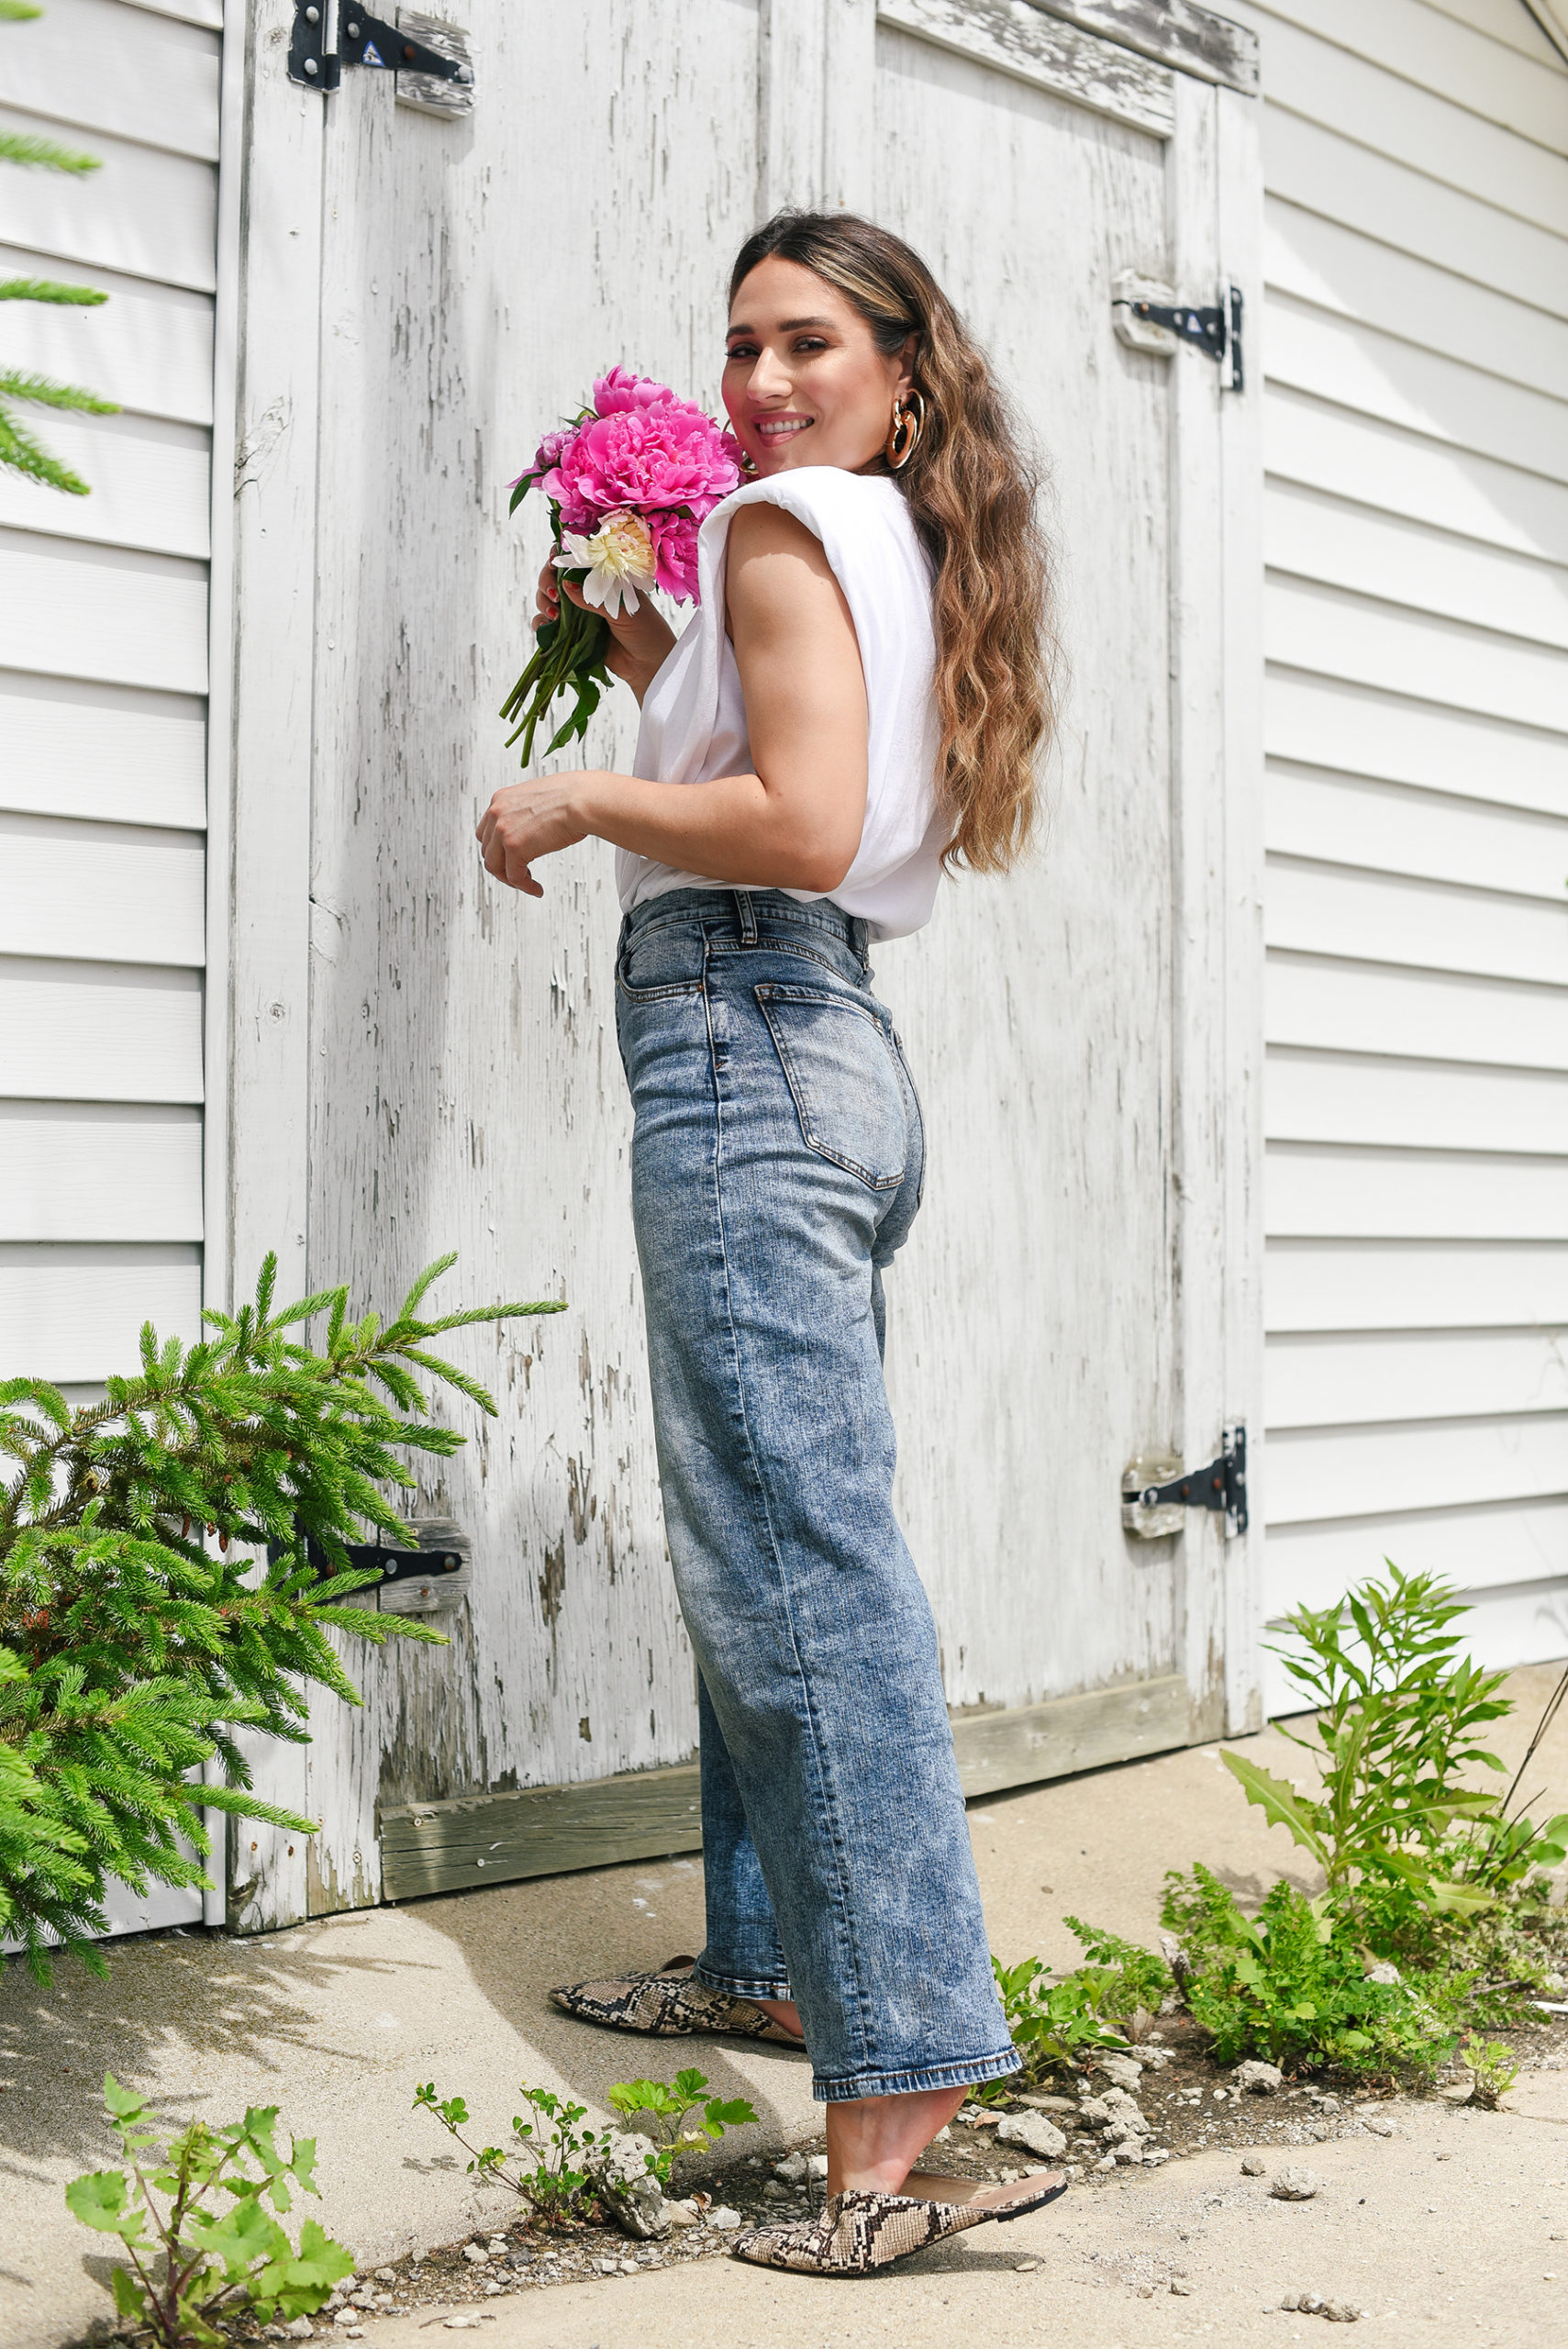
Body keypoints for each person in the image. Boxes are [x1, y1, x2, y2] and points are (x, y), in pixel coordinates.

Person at [475, 211, 1055, 2277]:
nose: (761, 381)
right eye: (739, 345)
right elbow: (775, 761)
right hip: (822, 1049)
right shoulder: (873, 533)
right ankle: (771, 1963)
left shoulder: (789, 517)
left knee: (798, 1567)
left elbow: (795, 825)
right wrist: (638, 660)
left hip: (747, 1027)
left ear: (904, 363)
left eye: (809, 340)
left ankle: (898, 2097)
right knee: (765, 1525)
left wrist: (576, 797)